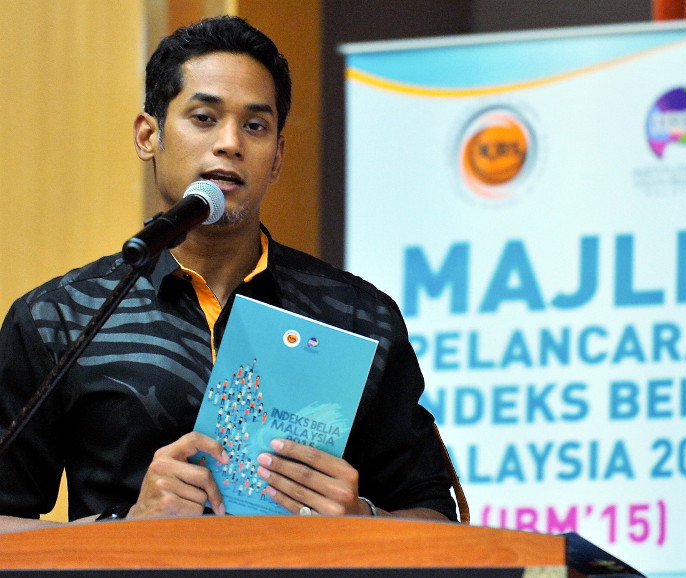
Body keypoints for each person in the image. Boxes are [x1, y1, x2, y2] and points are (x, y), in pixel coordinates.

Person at [0, 15, 456, 531]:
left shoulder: (358, 317)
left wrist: (360, 519)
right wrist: (123, 526)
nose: (230, 143)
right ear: (148, 135)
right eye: (204, 118)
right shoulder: (62, 317)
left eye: (255, 126)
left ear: (277, 156)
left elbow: (439, 521)